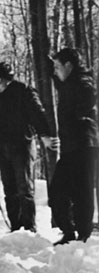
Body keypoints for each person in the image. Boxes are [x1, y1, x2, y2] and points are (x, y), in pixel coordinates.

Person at [0, 62, 58, 232]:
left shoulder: (23, 91)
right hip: (3, 147)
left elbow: (37, 114)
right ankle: (15, 225)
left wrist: (44, 135)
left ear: (7, 79)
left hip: (22, 144)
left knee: (24, 188)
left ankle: (29, 227)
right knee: (9, 189)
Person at [50, 48, 99, 245]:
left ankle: (83, 234)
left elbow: (88, 98)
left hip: (85, 144)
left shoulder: (83, 82)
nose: (55, 71)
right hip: (71, 146)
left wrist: (80, 116)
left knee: (83, 191)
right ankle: (68, 231)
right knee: (57, 191)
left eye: (57, 67)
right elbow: (60, 81)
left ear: (69, 66)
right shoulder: (67, 82)